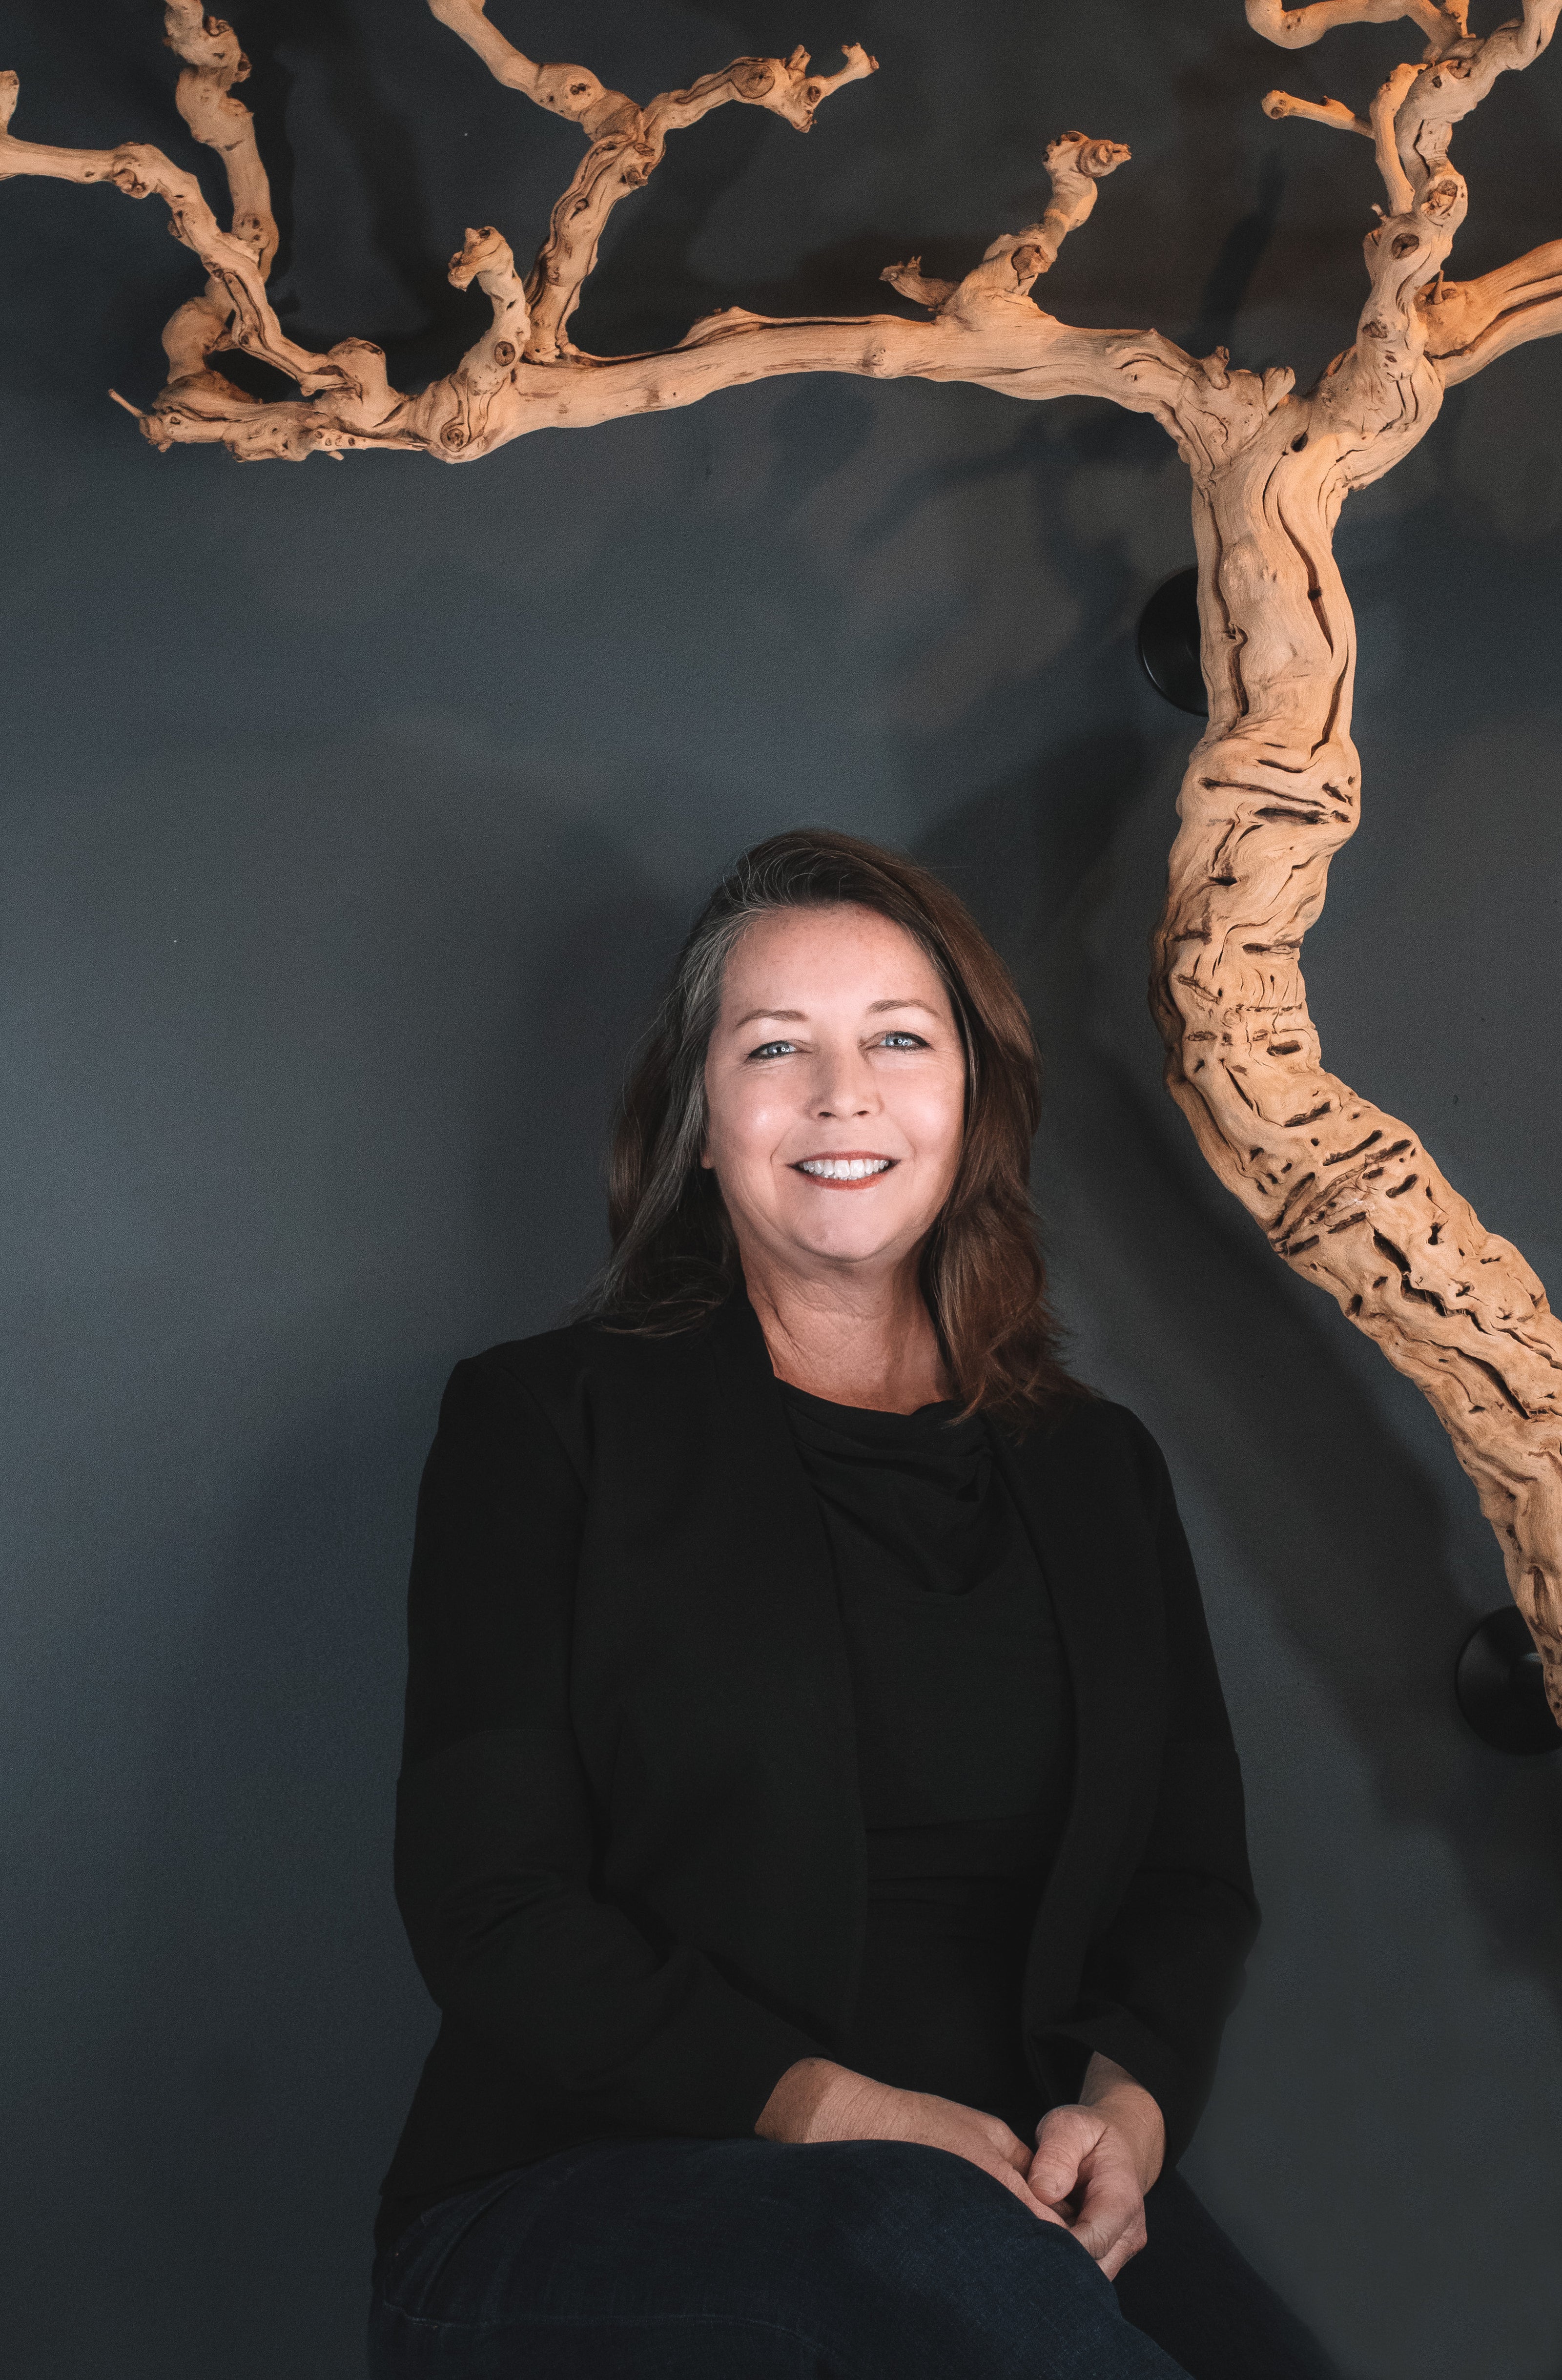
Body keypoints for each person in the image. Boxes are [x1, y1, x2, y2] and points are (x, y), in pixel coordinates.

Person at [367, 828, 1336, 2379]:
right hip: (588, 2189)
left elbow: (1189, 1876)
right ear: (698, 1122)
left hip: (1014, 2197)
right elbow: (491, 1903)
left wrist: (1132, 2112)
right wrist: (846, 2115)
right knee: (908, 2251)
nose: (844, 1095)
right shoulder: (546, 1425)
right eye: (776, 1048)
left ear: (972, 1099)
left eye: (899, 1037)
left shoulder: (1096, 1469)